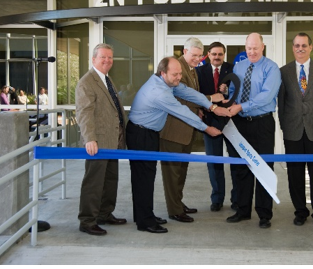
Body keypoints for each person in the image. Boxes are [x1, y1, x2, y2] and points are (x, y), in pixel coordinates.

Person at [127, 56, 223, 234]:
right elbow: (183, 112)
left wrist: (211, 107)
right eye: (175, 74)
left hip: (149, 132)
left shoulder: (164, 82)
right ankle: (144, 221)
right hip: (141, 135)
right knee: (143, 179)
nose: (179, 77)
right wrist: (206, 128)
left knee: (147, 178)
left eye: (180, 73)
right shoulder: (160, 92)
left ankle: (144, 215)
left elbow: (188, 92)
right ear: (163, 73)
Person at [222, 32, 281, 229]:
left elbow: (267, 96)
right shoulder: (239, 66)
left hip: (262, 123)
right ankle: (242, 210)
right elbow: (233, 92)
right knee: (240, 168)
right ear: (245, 48)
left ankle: (264, 214)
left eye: (255, 48)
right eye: (249, 48)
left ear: (262, 47)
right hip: (240, 123)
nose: (252, 52)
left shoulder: (271, 68)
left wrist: (241, 106)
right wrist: (228, 101)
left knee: (263, 167)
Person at [158, 38, 220, 223]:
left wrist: (198, 109)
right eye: (194, 55)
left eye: (200, 56)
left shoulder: (191, 70)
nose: (197, 59)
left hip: (186, 130)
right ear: (184, 51)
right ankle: (174, 210)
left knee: (181, 171)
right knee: (172, 173)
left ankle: (178, 203)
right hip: (172, 131)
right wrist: (209, 100)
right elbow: (181, 95)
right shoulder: (177, 69)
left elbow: (190, 99)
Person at [278, 33, 313, 229]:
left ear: (311, 47)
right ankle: (300, 212)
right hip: (293, 131)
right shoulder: (283, 71)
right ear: (292, 48)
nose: (300, 48)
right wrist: (284, 126)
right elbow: (281, 102)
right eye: (296, 45)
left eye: (304, 45)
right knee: (295, 175)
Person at [75, 44, 127, 236]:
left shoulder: (106, 79)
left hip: (112, 141)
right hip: (97, 142)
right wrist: (90, 138)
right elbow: (84, 113)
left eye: (110, 58)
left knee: (110, 179)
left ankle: (105, 213)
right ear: (93, 59)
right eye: (103, 57)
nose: (107, 61)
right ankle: (87, 220)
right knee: (94, 182)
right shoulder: (87, 82)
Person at [196, 41, 236, 212]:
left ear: (224, 55)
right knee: (214, 162)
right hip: (210, 121)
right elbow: (196, 94)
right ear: (208, 54)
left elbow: (239, 92)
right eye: (214, 54)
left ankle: (237, 199)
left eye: (220, 54)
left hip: (232, 121)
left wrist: (227, 91)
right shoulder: (199, 71)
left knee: (236, 161)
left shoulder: (233, 69)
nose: (217, 57)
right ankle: (217, 198)